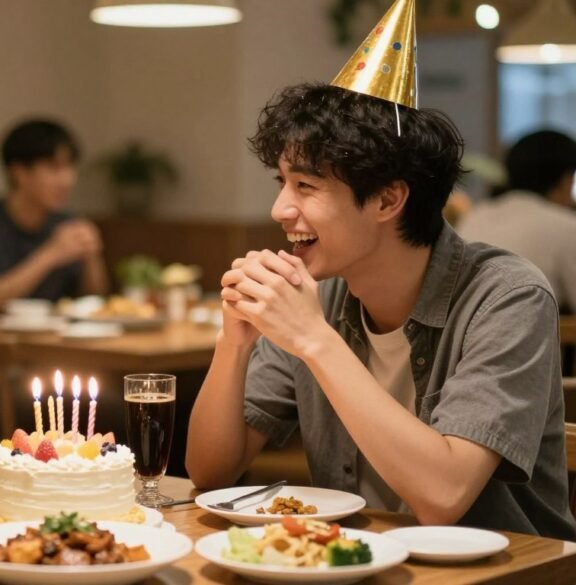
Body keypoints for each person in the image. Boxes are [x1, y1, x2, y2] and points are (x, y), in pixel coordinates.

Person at [186, 0, 576, 539]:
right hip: (352, 560)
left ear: (389, 200)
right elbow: (210, 473)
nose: (279, 209)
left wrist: (314, 339)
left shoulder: (508, 297)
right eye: (282, 183)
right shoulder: (318, 295)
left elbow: (443, 497)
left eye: (305, 186)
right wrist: (234, 344)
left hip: (506, 570)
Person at [0, 119, 109, 319]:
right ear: (19, 172)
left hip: (53, 335)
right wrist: (51, 254)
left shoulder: (67, 222)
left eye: (70, 167)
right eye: (54, 168)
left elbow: (95, 301)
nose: (67, 180)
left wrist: (92, 258)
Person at [457, 130, 576, 312]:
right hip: (523, 326)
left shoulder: (476, 214)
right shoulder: (565, 225)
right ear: (565, 179)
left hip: (460, 326)